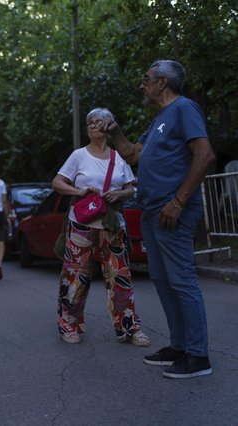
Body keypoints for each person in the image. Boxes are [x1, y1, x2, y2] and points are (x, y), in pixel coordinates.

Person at [104, 60, 215, 379]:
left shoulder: (184, 108)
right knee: (163, 280)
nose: (143, 84)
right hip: (152, 212)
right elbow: (132, 155)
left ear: (163, 82)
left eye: (146, 79)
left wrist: (178, 201)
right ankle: (179, 346)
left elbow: (205, 155)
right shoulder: (159, 120)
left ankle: (198, 356)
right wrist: (114, 131)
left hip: (172, 211)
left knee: (181, 280)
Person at [52, 107, 150, 347]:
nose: (93, 126)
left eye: (98, 122)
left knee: (120, 277)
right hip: (82, 224)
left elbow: (130, 188)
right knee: (76, 276)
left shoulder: (119, 158)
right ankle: (69, 325)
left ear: (109, 126)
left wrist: (119, 194)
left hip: (113, 225)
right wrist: (79, 191)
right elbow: (57, 183)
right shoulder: (78, 156)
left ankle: (130, 328)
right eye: (89, 123)